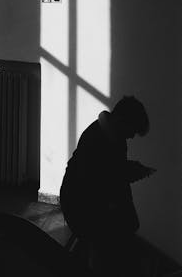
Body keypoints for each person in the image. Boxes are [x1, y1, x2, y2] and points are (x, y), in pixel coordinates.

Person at [60, 96, 155, 276]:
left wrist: (131, 170)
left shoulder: (113, 136)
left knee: (126, 225)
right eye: (132, 130)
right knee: (116, 233)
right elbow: (101, 182)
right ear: (121, 120)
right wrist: (131, 173)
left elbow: (111, 171)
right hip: (80, 204)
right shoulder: (97, 141)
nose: (132, 136)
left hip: (85, 198)